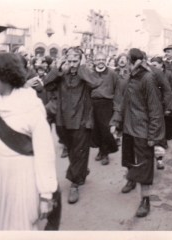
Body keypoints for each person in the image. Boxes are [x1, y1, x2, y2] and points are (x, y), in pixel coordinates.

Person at [0, 52, 58, 230]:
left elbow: (44, 153)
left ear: (5, 75)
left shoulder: (31, 105)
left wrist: (46, 195)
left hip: (23, 178)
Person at [44, 46, 102, 204]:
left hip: (82, 120)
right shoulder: (61, 74)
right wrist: (58, 68)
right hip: (63, 119)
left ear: (81, 61)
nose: (72, 64)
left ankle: (74, 184)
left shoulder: (85, 73)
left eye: (75, 61)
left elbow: (96, 83)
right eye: (69, 60)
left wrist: (82, 67)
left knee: (78, 152)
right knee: (71, 150)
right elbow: (46, 84)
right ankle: (81, 170)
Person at [111, 48, 165, 217]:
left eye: (127, 60)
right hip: (128, 128)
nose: (124, 63)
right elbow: (123, 103)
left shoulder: (147, 79)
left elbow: (155, 109)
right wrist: (115, 121)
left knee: (144, 166)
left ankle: (145, 200)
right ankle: (131, 180)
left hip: (142, 130)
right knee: (128, 158)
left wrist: (153, 136)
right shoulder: (129, 78)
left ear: (135, 62)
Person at [90, 52, 119, 165]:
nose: (100, 61)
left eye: (103, 59)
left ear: (106, 60)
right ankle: (100, 151)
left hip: (106, 104)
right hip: (93, 104)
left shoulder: (112, 73)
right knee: (96, 130)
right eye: (98, 60)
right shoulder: (91, 73)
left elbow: (117, 89)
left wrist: (115, 107)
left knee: (105, 130)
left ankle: (105, 153)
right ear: (95, 61)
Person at [150, 56, 172, 169]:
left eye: (155, 65)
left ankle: (159, 160)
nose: (153, 68)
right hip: (150, 108)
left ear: (161, 65)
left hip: (161, 107)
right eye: (151, 65)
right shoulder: (149, 75)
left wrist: (167, 106)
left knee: (159, 134)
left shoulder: (169, 75)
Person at [114, 53, 129, 146]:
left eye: (124, 59)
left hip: (126, 97)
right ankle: (116, 136)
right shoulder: (113, 72)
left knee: (124, 115)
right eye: (120, 58)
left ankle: (120, 135)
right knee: (115, 114)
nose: (122, 60)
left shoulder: (130, 72)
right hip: (115, 96)